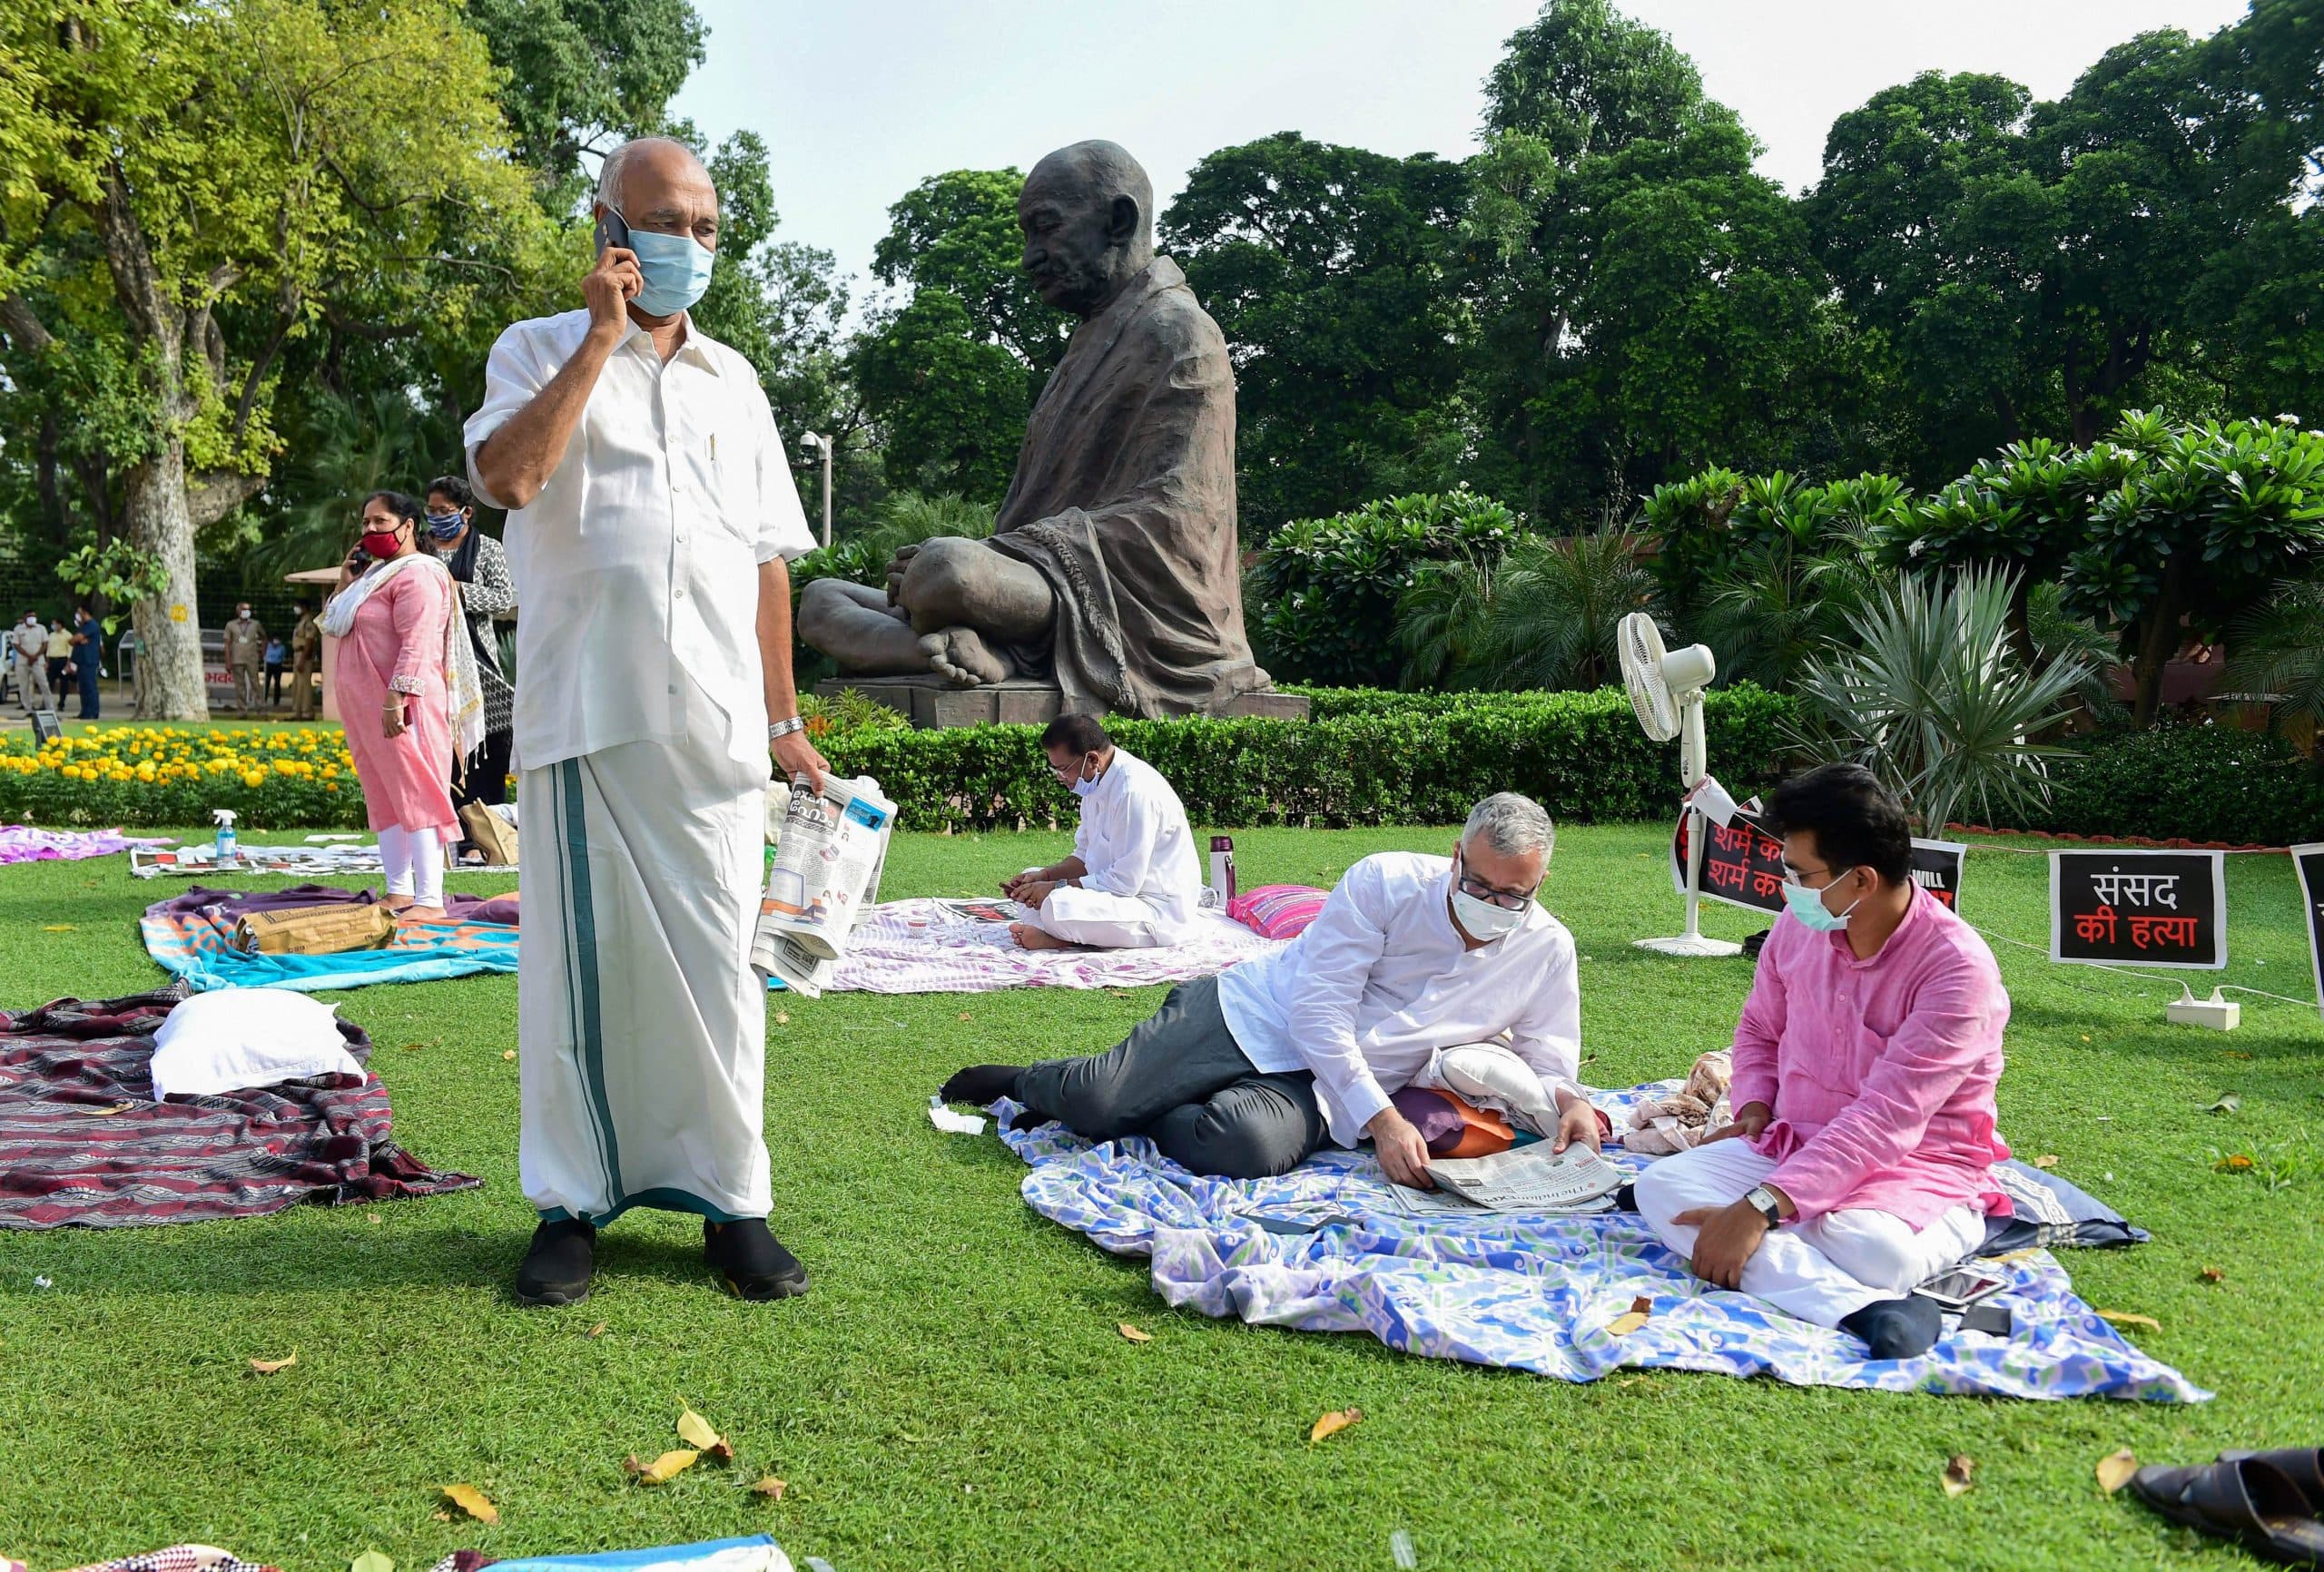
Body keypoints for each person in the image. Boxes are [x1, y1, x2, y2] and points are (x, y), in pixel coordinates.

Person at [466, 134, 825, 1308]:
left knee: (724, 970)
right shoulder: (535, 348)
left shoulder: (736, 381)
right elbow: (510, 481)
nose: (689, 244)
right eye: (667, 222)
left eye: (706, 227)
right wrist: (599, 339)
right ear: (609, 228)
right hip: (588, 712)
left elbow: (767, 561)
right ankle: (570, 1208)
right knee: (582, 975)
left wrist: (782, 717)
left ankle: (733, 1202)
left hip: (716, 723)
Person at [798, 140, 1269, 717]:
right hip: (1041, 588)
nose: (1030, 257)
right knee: (821, 600)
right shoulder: (1087, 345)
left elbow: (1176, 521)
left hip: (1129, 607)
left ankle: (977, 642)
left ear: (1119, 222)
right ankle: (945, 652)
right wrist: (989, 560)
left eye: (1045, 229)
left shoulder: (1181, 333)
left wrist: (988, 556)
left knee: (947, 571)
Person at [942, 793, 1602, 1182]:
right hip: (1253, 1015)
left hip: (1335, 1081)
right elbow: (1319, 1014)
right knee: (1097, 1098)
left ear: (1539, 884)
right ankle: (1030, 1083)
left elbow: (1547, 1056)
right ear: (1455, 856)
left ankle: (1148, 1101)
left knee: (1245, 1146)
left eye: (1513, 895)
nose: (1492, 904)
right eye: (1480, 885)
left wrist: (1569, 1100)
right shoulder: (1386, 882)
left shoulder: (1547, 948)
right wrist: (1385, 1121)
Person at [1631, 763, 2012, 1361]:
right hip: (1793, 1142)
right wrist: (1756, 1107)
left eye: (1800, 874)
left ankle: (1789, 1241)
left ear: (1861, 880)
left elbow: (1885, 1122)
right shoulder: (1796, 928)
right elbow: (1760, 1029)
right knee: (1661, 1191)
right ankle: (1862, 1310)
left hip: (1914, 1165)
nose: (1788, 887)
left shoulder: (1957, 971)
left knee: (1873, 1251)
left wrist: (1760, 1207)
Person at [321, 491, 484, 923]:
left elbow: (418, 641)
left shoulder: (419, 575)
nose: (370, 530)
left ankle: (429, 898)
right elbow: (333, 623)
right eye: (365, 523)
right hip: (369, 710)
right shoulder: (373, 576)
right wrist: (345, 582)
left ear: (408, 525)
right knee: (385, 797)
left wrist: (397, 699)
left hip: (405, 707)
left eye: (381, 521)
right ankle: (399, 891)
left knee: (417, 794)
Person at [1004, 712, 1201, 951]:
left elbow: (1126, 882)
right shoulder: (1095, 783)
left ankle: (1062, 938)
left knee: (1057, 904)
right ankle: (1061, 931)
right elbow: (1084, 857)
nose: (1060, 777)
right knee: (1032, 881)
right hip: (1113, 897)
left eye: (1064, 769)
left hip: (1156, 909)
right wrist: (1044, 877)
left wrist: (1056, 887)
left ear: (1092, 759)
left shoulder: (1133, 793)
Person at [423, 475, 518, 811]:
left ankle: (486, 823)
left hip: (479, 663)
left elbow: (505, 598)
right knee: (440, 746)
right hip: (431, 659)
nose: (436, 517)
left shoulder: (489, 549)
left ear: (466, 512)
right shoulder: (420, 549)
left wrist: (459, 591)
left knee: (486, 743)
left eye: (444, 511)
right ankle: (446, 828)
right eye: (431, 510)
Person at [223, 600, 267, 715]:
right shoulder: (231, 625)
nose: (246, 612)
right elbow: (227, 644)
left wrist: (263, 652)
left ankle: (261, 708)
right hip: (237, 658)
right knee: (240, 686)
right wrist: (227, 660)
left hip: (251, 658)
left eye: (248, 609)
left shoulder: (255, 624)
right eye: (244, 609)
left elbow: (264, 637)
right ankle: (242, 710)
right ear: (238, 611)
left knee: (255, 684)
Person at [12, 614, 52, 713]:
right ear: (25, 618)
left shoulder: (41, 628)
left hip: (38, 661)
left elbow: (45, 643)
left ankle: (50, 708)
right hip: (22, 661)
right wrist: (28, 656)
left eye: (34, 616)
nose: (32, 618)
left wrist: (35, 656)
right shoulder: (18, 629)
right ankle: (28, 708)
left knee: (44, 684)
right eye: (30, 616)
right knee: (23, 686)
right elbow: (16, 644)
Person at [288, 603, 320, 721]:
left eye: (299, 606)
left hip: (304, 655)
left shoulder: (308, 623)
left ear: (305, 608)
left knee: (304, 685)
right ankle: (297, 712)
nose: (296, 609)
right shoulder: (301, 622)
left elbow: (309, 641)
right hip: (298, 654)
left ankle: (307, 712)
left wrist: (302, 659)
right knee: (296, 685)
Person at [71, 605, 102, 720]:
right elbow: (72, 640)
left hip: (89, 660)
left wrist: (79, 639)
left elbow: (77, 638)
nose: (78, 615)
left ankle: (93, 712)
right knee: (83, 687)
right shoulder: (82, 626)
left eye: (79, 612)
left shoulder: (92, 625)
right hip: (82, 660)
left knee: (90, 687)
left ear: (85, 612)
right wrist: (78, 640)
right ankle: (84, 711)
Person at [44, 618, 72, 699]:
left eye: (54, 624)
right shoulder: (51, 635)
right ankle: (46, 701)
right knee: (49, 681)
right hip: (52, 661)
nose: (53, 626)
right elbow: (48, 650)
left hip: (63, 661)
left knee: (64, 682)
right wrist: (47, 662)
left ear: (60, 625)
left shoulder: (68, 635)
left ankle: (62, 701)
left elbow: (70, 650)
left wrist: (68, 664)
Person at [262, 634, 287, 708]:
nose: (276, 641)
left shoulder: (282, 647)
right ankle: (264, 699)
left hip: (277, 665)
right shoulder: (268, 646)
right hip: (269, 664)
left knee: (277, 683)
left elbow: (283, 656)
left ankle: (276, 701)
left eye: (277, 639)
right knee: (267, 682)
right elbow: (264, 653)